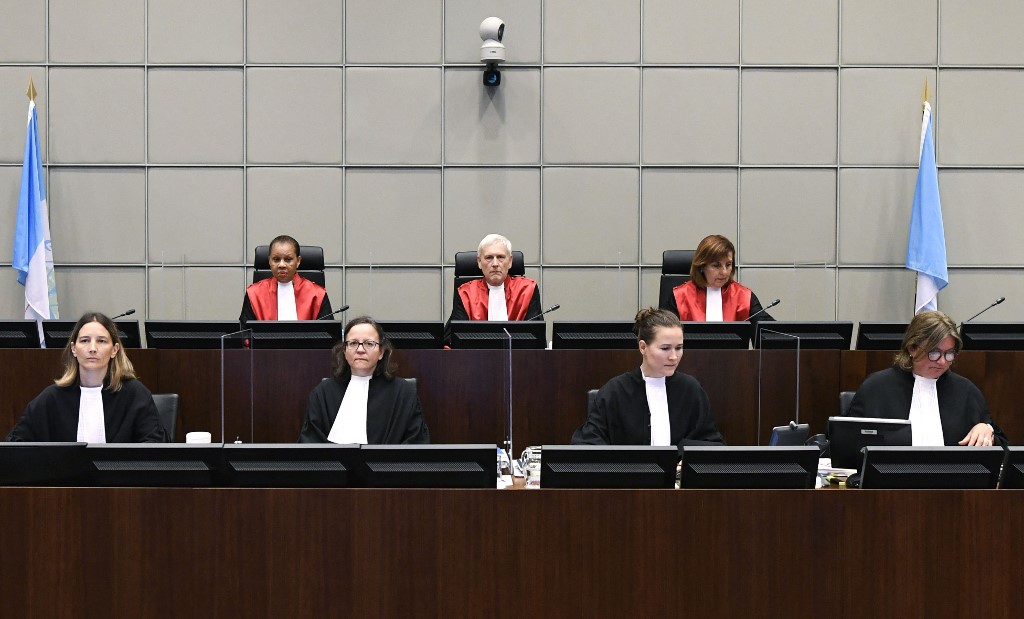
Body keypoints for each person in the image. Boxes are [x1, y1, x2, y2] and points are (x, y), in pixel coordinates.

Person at [571, 308, 725, 453]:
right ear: (643, 347)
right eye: (665, 348)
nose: (673, 357)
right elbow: (587, 445)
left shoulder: (691, 390)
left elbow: (711, 443)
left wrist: (684, 459)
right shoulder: (615, 391)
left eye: (678, 348)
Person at [847, 310, 1006, 446]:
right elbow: (846, 440)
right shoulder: (876, 387)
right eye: (934, 353)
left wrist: (987, 430)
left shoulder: (966, 391)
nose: (942, 361)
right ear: (912, 348)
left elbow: (1002, 445)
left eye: (949, 353)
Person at [6, 312, 168, 443]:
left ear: (114, 350)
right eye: (84, 340)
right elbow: (14, 445)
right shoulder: (52, 397)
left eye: (101, 341)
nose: (92, 348)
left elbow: (155, 450)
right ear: (74, 349)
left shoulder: (135, 394)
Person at [299, 316, 430, 444]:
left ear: (381, 352)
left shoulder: (404, 393)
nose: (360, 350)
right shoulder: (322, 393)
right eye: (353, 343)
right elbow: (310, 445)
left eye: (369, 344)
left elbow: (416, 445)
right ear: (344, 351)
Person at [444, 233, 542, 345]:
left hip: (518, 355)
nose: (495, 264)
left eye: (500, 257)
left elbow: (536, 339)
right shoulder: (466, 293)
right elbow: (453, 340)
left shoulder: (527, 290)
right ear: (479, 262)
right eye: (489, 258)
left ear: (510, 261)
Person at [664, 234, 773, 322]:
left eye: (728, 265)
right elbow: (663, 334)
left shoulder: (743, 296)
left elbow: (768, 331)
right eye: (716, 265)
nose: (724, 272)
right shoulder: (680, 297)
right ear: (702, 266)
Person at [240, 235, 332, 324]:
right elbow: (245, 331)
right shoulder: (254, 294)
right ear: (269, 261)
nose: (282, 265)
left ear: (298, 261)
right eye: (276, 259)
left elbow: (328, 331)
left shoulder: (317, 294)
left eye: (288, 260)